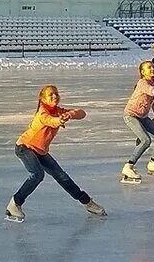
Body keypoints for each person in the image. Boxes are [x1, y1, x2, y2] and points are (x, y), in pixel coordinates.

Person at [6, 85, 106, 222]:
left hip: (40, 151)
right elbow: (51, 121)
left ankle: (87, 203)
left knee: (62, 176)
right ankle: (14, 204)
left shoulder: (57, 110)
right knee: (37, 174)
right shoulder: (42, 114)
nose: (55, 96)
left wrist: (69, 114)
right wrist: (60, 120)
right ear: (42, 99)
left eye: (56, 94)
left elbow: (82, 113)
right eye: (50, 95)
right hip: (25, 147)